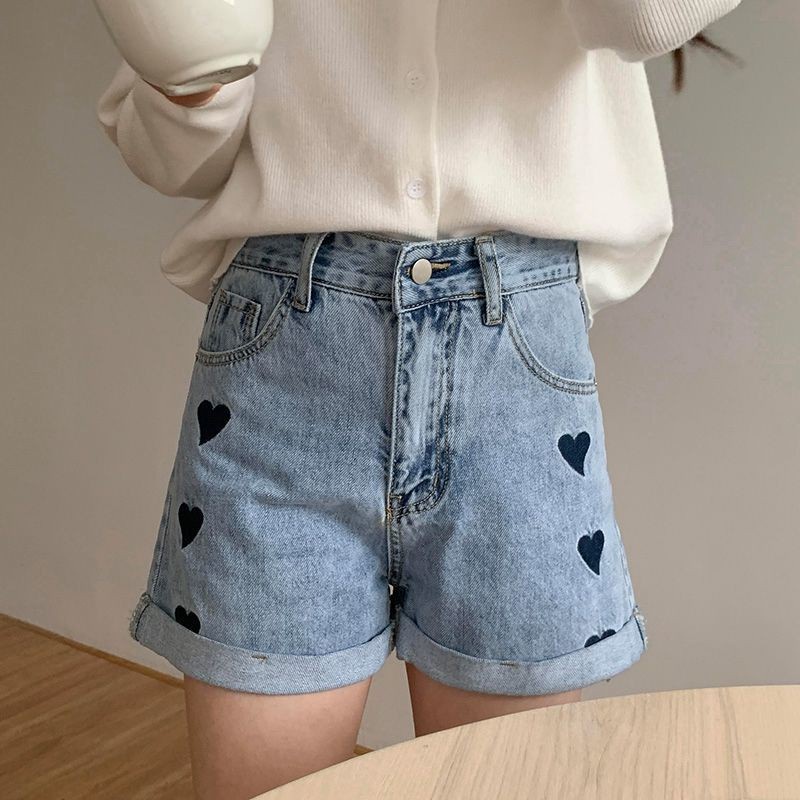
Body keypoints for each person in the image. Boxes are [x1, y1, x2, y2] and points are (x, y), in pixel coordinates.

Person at [96, 2, 742, 797]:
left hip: (515, 370)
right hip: (286, 359)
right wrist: (194, 71)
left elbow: (643, 17)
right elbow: (171, 150)